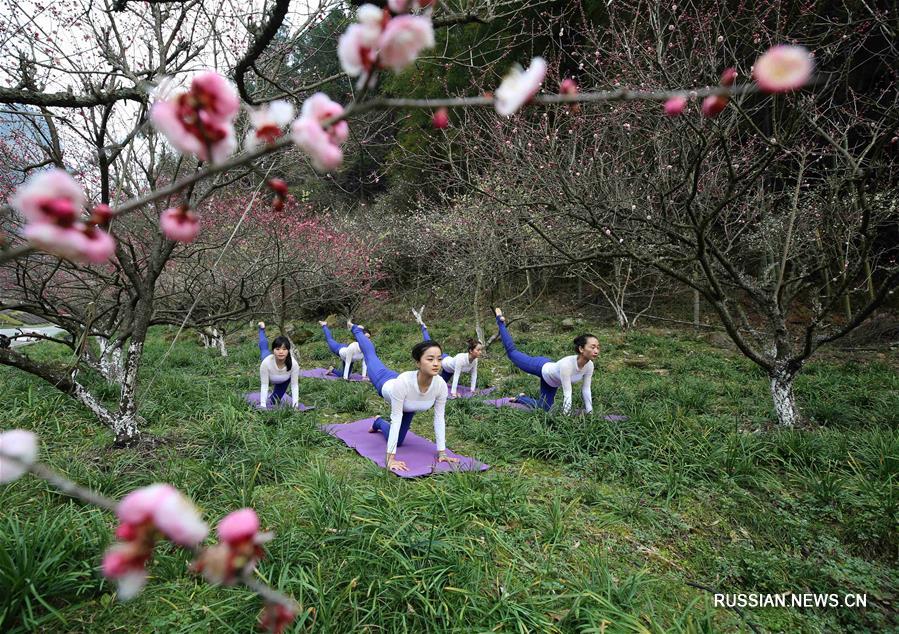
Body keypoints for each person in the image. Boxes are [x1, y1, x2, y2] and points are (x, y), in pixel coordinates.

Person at [350, 321, 459, 473]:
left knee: (399, 442)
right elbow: (396, 418)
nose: (436, 364)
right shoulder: (403, 382)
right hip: (385, 381)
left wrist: (442, 452)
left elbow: (439, 418)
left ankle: (378, 422)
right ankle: (356, 330)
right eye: (430, 359)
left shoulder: (440, 385)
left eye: (439, 359)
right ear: (418, 363)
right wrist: (390, 459)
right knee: (370, 356)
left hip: (409, 401)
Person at [493, 308, 598, 414]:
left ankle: (521, 397)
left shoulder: (589, 366)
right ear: (581, 349)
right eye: (593, 347)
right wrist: (566, 420)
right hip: (540, 366)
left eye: (598, 347)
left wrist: (590, 413)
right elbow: (567, 393)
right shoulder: (568, 365)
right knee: (512, 353)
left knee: (544, 409)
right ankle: (500, 321)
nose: (596, 351)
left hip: (551, 382)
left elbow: (586, 390)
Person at [413, 308, 482, 397]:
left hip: (448, 370)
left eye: (481, 350)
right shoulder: (461, 359)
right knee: (430, 345)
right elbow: (456, 376)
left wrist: (472, 390)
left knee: (438, 385)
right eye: (478, 350)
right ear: (471, 351)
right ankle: (423, 328)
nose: (480, 352)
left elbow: (474, 374)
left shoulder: (475, 360)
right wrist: (453, 393)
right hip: (443, 360)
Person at [257, 321, 300, 409]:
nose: (281, 352)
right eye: (277, 349)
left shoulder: (294, 364)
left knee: (274, 401)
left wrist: (295, 406)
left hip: (283, 381)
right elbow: (264, 385)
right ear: (273, 350)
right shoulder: (266, 363)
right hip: (268, 359)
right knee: (264, 348)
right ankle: (261, 329)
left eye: (284, 349)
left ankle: (274, 396)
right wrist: (262, 405)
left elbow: (294, 385)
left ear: (288, 351)